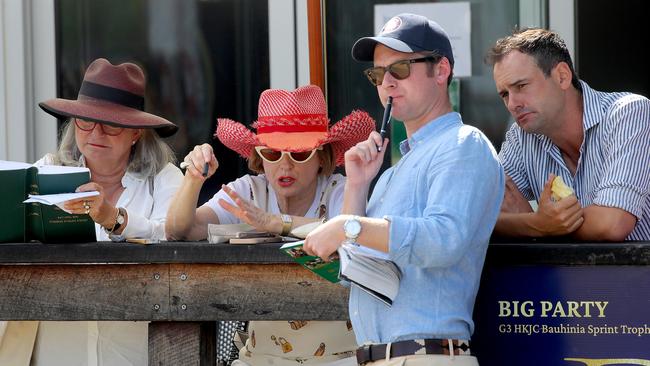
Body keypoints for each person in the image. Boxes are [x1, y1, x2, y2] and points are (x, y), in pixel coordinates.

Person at [303, 14, 504, 366]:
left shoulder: (463, 144)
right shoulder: (390, 174)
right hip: (379, 355)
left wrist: (349, 226)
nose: (387, 83)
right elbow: (355, 277)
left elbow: (444, 239)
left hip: (428, 354)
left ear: (441, 71)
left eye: (400, 68)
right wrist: (357, 184)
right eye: (379, 74)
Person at [166, 85, 375, 365]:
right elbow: (180, 230)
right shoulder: (250, 191)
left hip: (340, 359)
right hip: (260, 359)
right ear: (259, 158)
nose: (285, 166)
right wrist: (193, 178)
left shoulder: (341, 190)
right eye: (273, 154)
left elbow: (348, 233)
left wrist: (277, 223)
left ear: (322, 158)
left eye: (300, 154)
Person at [5, 58, 183, 366]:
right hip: (59, 350)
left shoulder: (164, 179)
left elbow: (175, 234)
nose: (96, 133)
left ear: (136, 133)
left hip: (137, 350)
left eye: (112, 124)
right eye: (85, 121)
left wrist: (114, 218)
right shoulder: (46, 171)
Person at [485, 28, 650, 240]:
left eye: (521, 86)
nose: (513, 104)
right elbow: (482, 216)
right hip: (570, 273)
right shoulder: (521, 136)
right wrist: (537, 223)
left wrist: (536, 226)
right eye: (505, 94)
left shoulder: (628, 113)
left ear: (562, 76)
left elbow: (612, 223)